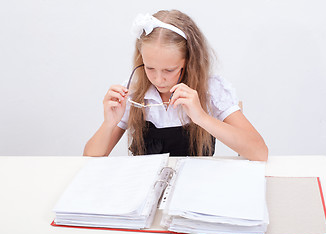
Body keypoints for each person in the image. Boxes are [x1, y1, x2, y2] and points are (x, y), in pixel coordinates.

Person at [83, 10, 268, 161]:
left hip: (196, 191)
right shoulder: (133, 93)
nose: (158, 79)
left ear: (188, 61)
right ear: (141, 59)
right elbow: (89, 159)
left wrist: (201, 117)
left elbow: (259, 152)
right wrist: (109, 124)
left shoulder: (211, 90)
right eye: (150, 68)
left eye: (169, 70)